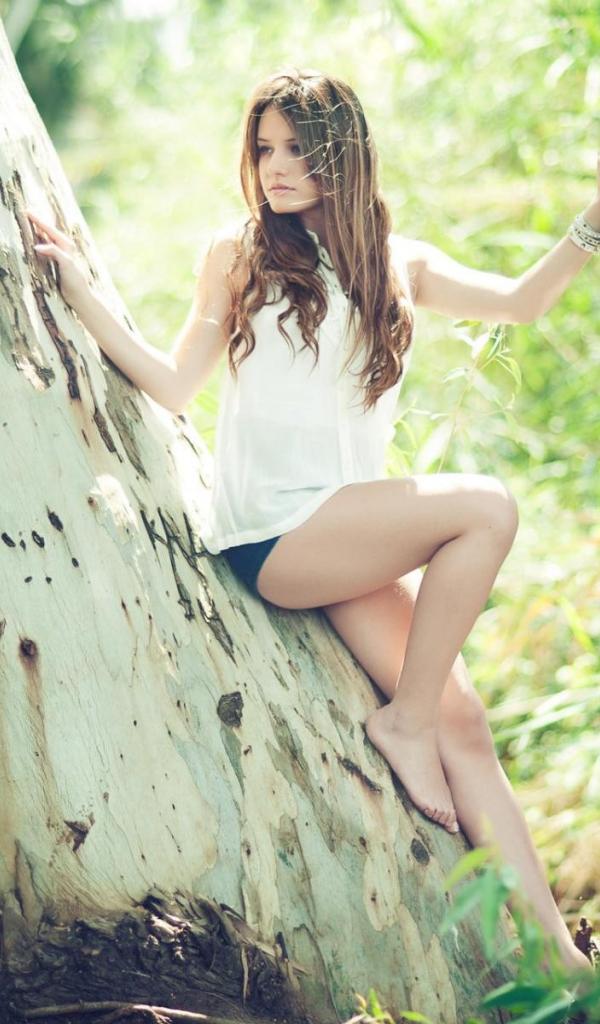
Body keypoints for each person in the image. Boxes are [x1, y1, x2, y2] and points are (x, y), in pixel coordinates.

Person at [25, 67, 599, 976]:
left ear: (343, 154)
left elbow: (522, 302)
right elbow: (173, 382)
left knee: (466, 724)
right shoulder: (241, 251)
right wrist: (79, 291)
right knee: (486, 508)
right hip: (276, 534)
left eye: (297, 148)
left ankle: (564, 970)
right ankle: (403, 725)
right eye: (264, 148)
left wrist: (591, 221)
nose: (276, 167)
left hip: (347, 535)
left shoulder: (397, 264)